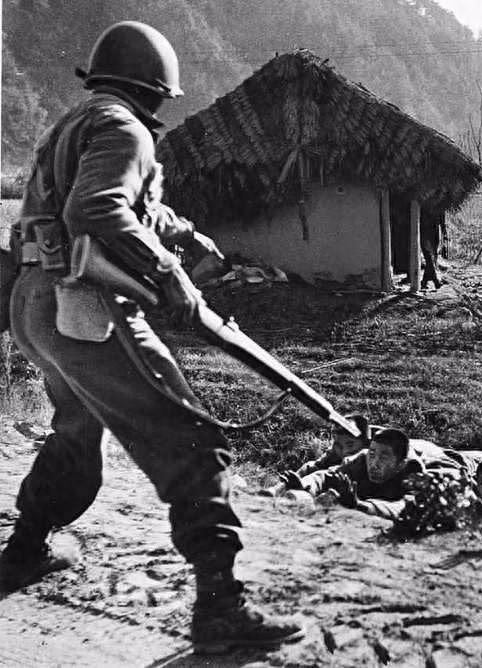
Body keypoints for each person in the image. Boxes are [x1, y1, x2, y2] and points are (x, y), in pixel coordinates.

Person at [0, 22, 304, 654]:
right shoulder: (126, 129)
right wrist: (169, 273)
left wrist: (185, 235)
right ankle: (220, 608)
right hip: (86, 307)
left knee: (76, 429)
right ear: (157, 89)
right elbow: (97, 209)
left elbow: (123, 205)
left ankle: (24, 550)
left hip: (35, 306)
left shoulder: (76, 124)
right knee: (192, 439)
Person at [284, 428, 426, 519]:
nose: (374, 463)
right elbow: (326, 476)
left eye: (383, 458)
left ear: (400, 465)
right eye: (372, 454)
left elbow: (405, 507)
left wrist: (359, 505)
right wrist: (305, 485)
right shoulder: (362, 458)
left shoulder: (414, 473)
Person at [419, 208, 446, 291]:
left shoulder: (439, 205)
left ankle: (424, 282)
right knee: (429, 259)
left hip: (433, 234)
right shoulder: (424, 206)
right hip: (425, 233)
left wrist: (443, 232)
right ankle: (435, 281)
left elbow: (442, 220)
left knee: (430, 259)